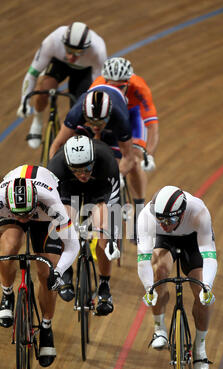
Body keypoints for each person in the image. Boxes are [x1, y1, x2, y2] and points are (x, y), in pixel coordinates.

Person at [0, 165, 79, 367]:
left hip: (44, 217)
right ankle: (7, 294)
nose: (23, 219)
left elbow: (72, 244)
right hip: (15, 212)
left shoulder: (52, 203)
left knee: (47, 271)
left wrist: (58, 273)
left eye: (26, 214)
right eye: (19, 215)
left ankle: (46, 327)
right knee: (9, 248)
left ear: (36, 202)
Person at [137, 185, 217, 369]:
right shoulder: (147, 217)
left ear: (182, 214)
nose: (164, 223)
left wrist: (207, 287)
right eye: (160, 219)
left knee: (201, 294)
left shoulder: (198, 212)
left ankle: (200, 347)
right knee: (160, 271)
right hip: (164, 241)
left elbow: (209, 257)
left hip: (192, 240)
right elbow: (143, 260)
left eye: (170, 219)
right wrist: (149, 288)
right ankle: (159, 327)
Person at [48, 135, 120, 315]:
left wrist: (111, 236)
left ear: (93, 161)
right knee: (64, 225)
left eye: (87, 168)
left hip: (99, 188)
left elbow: (114, 204)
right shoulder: (56, 166)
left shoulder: (107, 161)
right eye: (77, 170)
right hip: (67, 187)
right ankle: (66, 271)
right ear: (68, 165)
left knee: (103, 234)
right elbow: (52, 205)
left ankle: (104, 285)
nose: (82, 174)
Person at [91, 57, 159, 240]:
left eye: (121, 87)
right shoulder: (97, 88)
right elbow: (92, 123)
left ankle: (139, 209)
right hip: (109, 117)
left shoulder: (139, 87)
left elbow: (152, 125)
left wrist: (149, 154)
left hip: (131, 117)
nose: (117, 90)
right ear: (105, 81)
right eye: (113, 85)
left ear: (128, 82)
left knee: (135, 159)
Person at [16, 22, 107, 149]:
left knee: (81, 111)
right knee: (44, 89)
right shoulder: (53, 40)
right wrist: (24, 101)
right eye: (69, 50)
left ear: (87, 48)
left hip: (84, 71)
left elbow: (97, 87)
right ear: (63, 43)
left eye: (78, 53)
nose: (71, 56)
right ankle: (37, 120)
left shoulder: (98, 51)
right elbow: (32, 74)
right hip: (59, 64)